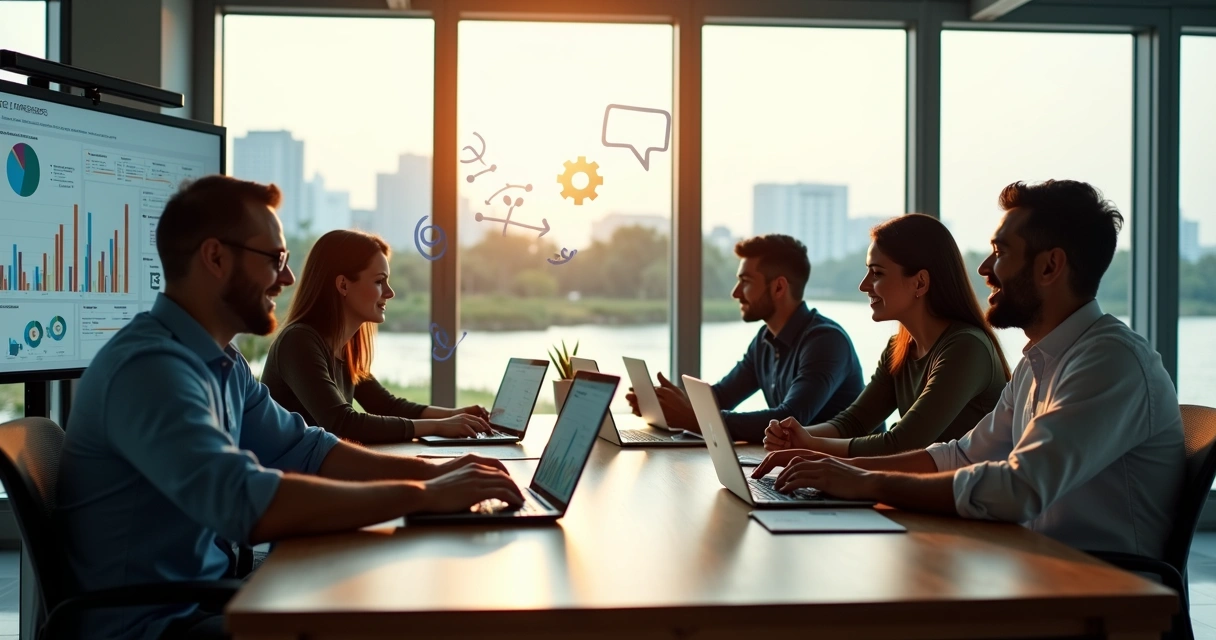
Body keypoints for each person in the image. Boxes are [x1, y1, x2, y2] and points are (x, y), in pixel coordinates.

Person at [55, 176, 524, 640]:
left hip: (207, 598)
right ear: (215, 257)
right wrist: (423, 496)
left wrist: (433, 471)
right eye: (275, 259)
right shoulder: (151, 370)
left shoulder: (223, 362)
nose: (288, 276)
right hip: (154, 626)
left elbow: (308, 448)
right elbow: (247, 504)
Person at [753, 180, 1184, 559]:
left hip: (1103, 593)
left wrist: (865, 483)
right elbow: (961, 455)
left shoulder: (1109, 362)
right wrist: (846, 472)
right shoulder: (1039, 363)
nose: (983, 269)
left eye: (1000, 252)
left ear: (1050, 266)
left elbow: (1018, 489)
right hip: (1030, 564)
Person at [760, 214, 1010, 458]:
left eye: (877, 273)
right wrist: (795, 436)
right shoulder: (899, 348)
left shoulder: (967, 348)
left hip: (966, 498)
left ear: (920, 283)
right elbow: (854, 423)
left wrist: (811, 445)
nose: (863, 285)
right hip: (922, 494)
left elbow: (902, 444)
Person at [628, 234, 866, 443]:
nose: (735, 293)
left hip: (845, 479)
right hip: (800, 469)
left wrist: (697, 419)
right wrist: (667, 403)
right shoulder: (765, 339)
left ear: (779, 288)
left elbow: (789, 418)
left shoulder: (826, 341)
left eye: (746, 281)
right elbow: (721, 397)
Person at [261, 229, 491, 444]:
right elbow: (343, 424)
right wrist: (438, 427)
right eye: (379, 281)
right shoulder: (298, 342)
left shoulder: (345, 345)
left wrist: (456, 415)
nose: (390, 293)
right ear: (343, 285)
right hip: (292, 480)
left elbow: (386, 405)